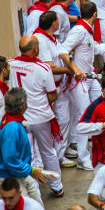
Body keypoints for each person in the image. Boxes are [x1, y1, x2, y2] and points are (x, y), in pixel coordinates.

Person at [61, 2, 105, 171]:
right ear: (94, 14)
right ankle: (83, 158)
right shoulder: (79, 31)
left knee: (99, 108)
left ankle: (102, 145)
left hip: (90, 78)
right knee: (84, 117)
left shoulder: (86, 30)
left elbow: (95, 49)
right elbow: (63, 50)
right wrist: (76, 69)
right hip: (80, 81)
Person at [8, 36, 64, 197]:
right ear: (35, 50)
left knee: (28, 154)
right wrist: (38, 103)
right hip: (41, 118)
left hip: (20, 119)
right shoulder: (43, 68)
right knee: (48, 151)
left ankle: (34, 191)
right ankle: (56, 186)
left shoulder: (11, 65)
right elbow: (52, 95)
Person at [33, 11, 84, 168]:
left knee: (64, 119)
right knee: (58, 122)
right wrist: (70, 71)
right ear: (54, 24)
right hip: (49, 90)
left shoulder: (51, 38)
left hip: (59, 86)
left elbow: (62, 54)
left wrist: (73, 67)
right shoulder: (41, 40)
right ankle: (57, 157)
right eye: (57, 21)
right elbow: (50, 66)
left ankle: (61, 151)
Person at [0, 88, 48, 205]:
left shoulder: (12, 123)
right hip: (12, 178)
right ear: (23, 105)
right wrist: (31, 170)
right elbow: (10, 160)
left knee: (37, 205)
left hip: (20, 173)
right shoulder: (12, 128)